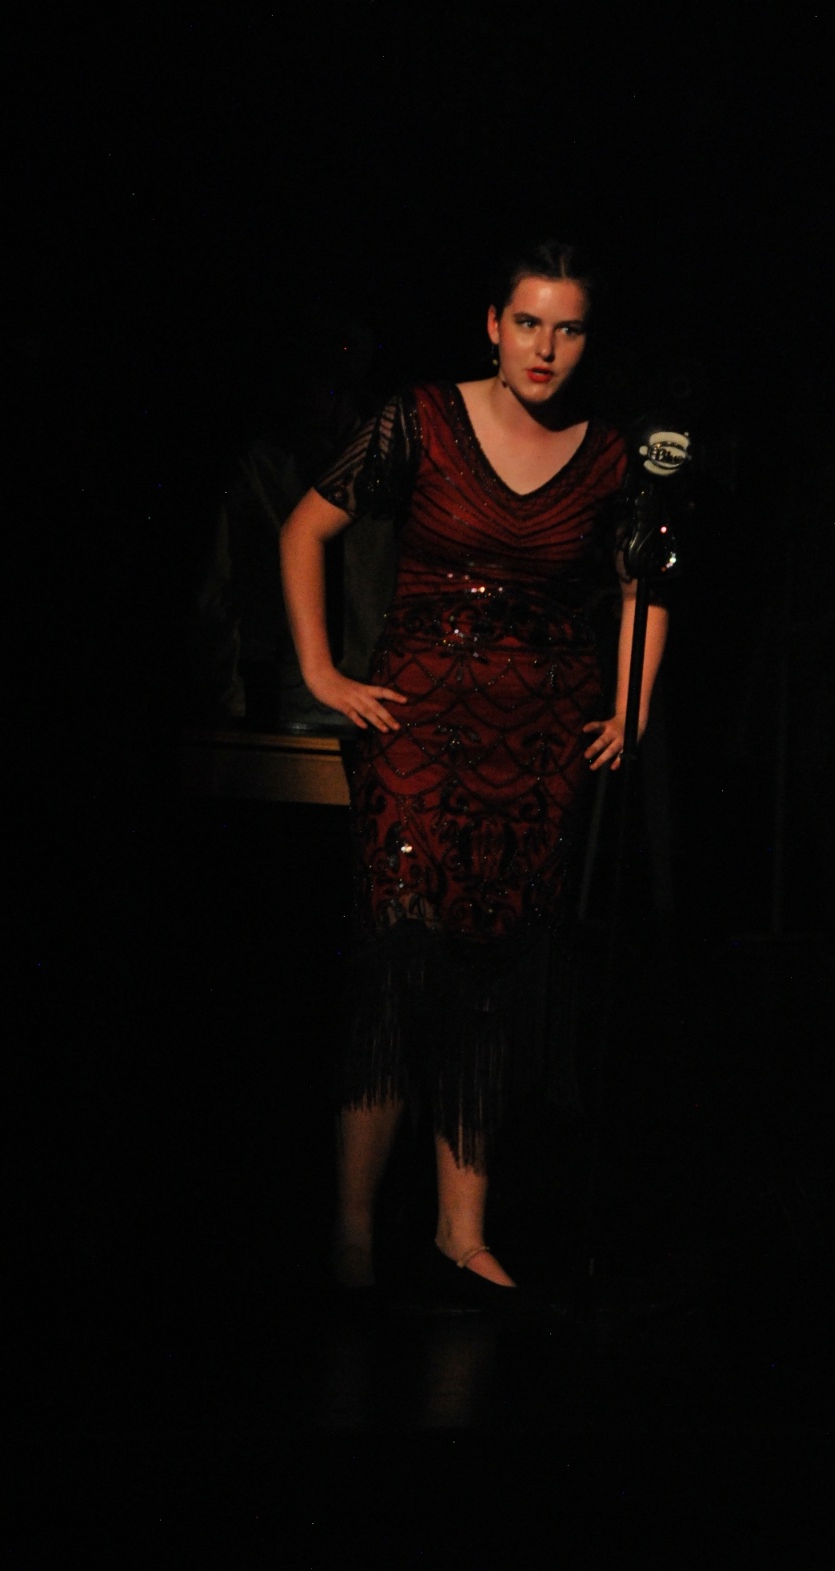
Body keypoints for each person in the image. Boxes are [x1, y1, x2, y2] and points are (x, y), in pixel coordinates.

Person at [280, 241, 668, 1301]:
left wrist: (631, 705)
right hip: (415, 730)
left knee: (492, 978)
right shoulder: (419, 420)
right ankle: (354, 1229)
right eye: (528, 323)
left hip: (536, 743)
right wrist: (321, 671)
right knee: (398, 966)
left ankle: (462, 1231)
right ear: (493, 325)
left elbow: (646, 586)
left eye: (568, 328)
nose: (547, 348)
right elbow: (305, 528)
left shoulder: (611, 453)